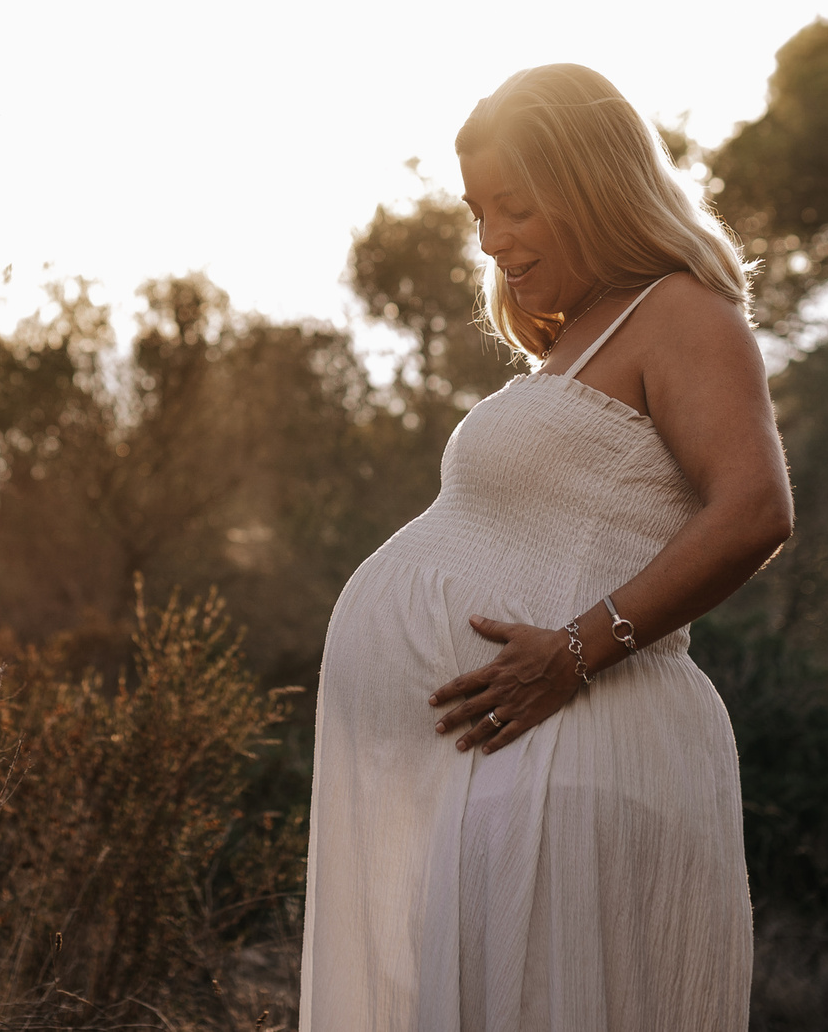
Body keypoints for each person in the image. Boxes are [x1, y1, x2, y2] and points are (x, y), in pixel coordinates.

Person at [298, 62, 793, 1031]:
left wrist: (574, 651)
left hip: (581, 758)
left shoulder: (679, 309)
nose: (491, 239)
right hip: (523, 766)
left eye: (515, 208)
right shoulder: (578, 338)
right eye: (477, 212)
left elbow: (753, 511)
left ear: (592, 188)